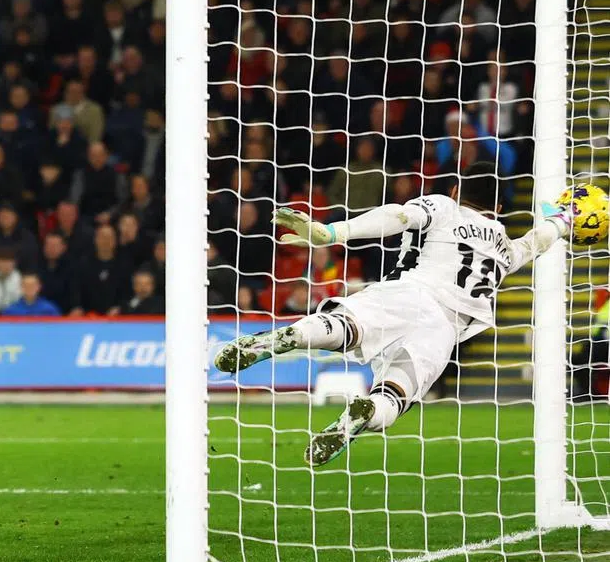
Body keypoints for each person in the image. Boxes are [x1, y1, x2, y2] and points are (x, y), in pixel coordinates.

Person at [215, 162, 573, 467]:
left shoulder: (445, 207)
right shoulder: (504, 248)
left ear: (455, 188)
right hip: (444, 332)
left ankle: (289, 336)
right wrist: (563, 221)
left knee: (345, 326)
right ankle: (366, 411)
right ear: (498, 205)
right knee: (395, 395)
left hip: (411, 293)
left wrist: (332, 232)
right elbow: (535, 243)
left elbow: (397, 215)